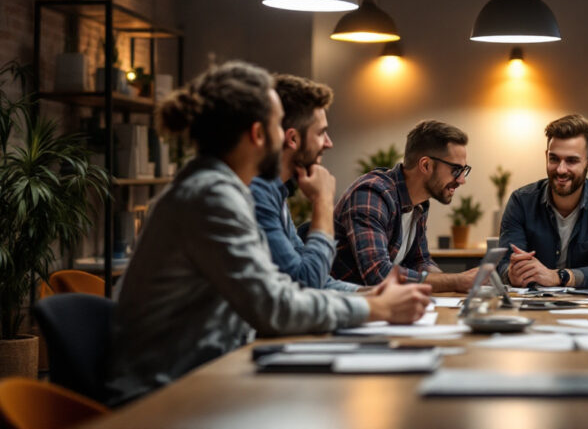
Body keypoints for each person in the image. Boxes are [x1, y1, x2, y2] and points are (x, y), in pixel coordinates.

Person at [107, 62, 430, 403]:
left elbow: (282, 289)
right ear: (259, 134)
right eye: (279, 125)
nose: (285, 137)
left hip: (205, 380)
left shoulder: (225, 190)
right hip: (162, 398)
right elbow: (274, 306)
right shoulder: (211, 196)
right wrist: (378, 310)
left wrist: (370, 297)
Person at [332, 120, 477, 291]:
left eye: (464, 170)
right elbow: (378, 274)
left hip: (384, 307)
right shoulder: (372, 194)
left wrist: (459, 282)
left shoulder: (420, 204)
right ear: (426, 165)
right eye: (456, 170)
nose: (462, 180)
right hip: (346, 309)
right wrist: (454, 281)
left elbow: (419, 261)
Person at [249, 74, 359, 291]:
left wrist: (376, 294)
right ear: (292, 138)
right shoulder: (256, 194)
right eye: (321, 133)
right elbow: (305, 282)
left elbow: (319, 281)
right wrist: (323, 201)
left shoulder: (276, 193)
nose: (329, 143)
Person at [497, 114, 588, 289]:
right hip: (531, 306)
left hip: (584, 310)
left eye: (571, 160)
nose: (561, 169)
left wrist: (560, 277)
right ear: (546, 156)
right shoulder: (521, 201)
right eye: (554, 158)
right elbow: (503, 264)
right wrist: (511, 274)